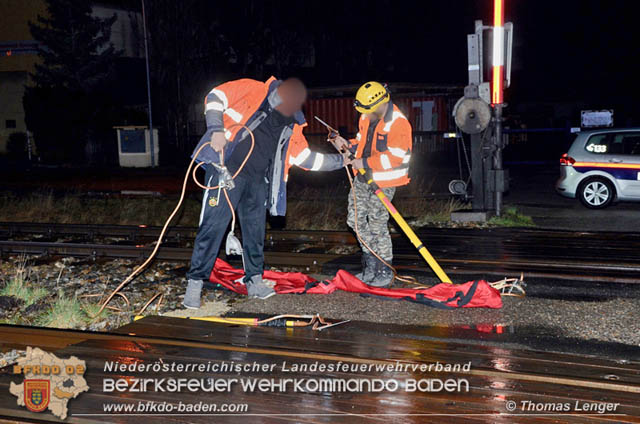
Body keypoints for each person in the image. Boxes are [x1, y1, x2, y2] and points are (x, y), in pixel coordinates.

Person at [183, 77, 344, 309]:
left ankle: (255, 281)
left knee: (255, 230)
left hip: (258, 180)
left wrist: (343, 160)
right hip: (226, 169)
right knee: (213, 226)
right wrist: (216, 129)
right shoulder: (252, 89)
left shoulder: (292, 125)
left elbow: (307, 159)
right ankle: (195, 284)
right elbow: (215, 97)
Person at [334, 81, 413, 288]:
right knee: (355, 221)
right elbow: (362, 144)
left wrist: (365, 162)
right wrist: (346, 144)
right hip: (361, 177)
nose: (365, 114)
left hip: (384, 181)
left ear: (381, 102)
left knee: (377, 223)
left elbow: (395, 158)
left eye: (368, 110)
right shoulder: (367, 116)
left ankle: (384, 269)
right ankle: (370, 265)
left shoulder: (398, 123)